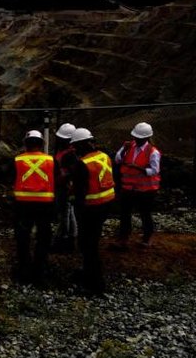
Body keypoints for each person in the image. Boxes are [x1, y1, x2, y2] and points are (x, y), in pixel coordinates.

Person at [66, 127, 115, 295]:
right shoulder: (104, 156)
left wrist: (75, 204)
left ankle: (94, 284)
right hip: (105, 204)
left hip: (90, 209)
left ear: (82, 145)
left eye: (75, 146)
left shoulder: (83, 164)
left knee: (88, 245)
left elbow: (80, 192)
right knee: (92, 242)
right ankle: (89, 273)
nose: (74, 149)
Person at [12, 130, 55, 284]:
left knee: (23, 237)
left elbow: (12, 178)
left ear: (26, 143)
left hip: (23, 204)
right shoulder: (50, 160)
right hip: (45, 204)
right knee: (43, 237)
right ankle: (40, 270)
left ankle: (24, 270)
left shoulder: (17, 160)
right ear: (42, 144)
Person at [113, 122, 161, 249]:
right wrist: (124, 148)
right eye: (135, 137)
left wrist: (139, 169)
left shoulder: (153, 152)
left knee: (145, 213)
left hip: (146, 190)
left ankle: (147, 237)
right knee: (125, 213)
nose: (136, 139)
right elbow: (118, 159)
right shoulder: (130, 146)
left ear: (146, 138)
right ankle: (123, 238)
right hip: (128, 187)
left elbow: (155, 170)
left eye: (139, 138)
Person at [51, 123, 78, 252]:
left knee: (65, 213)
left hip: (65, 187)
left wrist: (67, 183)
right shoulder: (65, 152)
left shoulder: (70, 154)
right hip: (62, 185)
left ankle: (64, 238)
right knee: (69, 212)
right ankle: (72, 236)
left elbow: (71, 173)